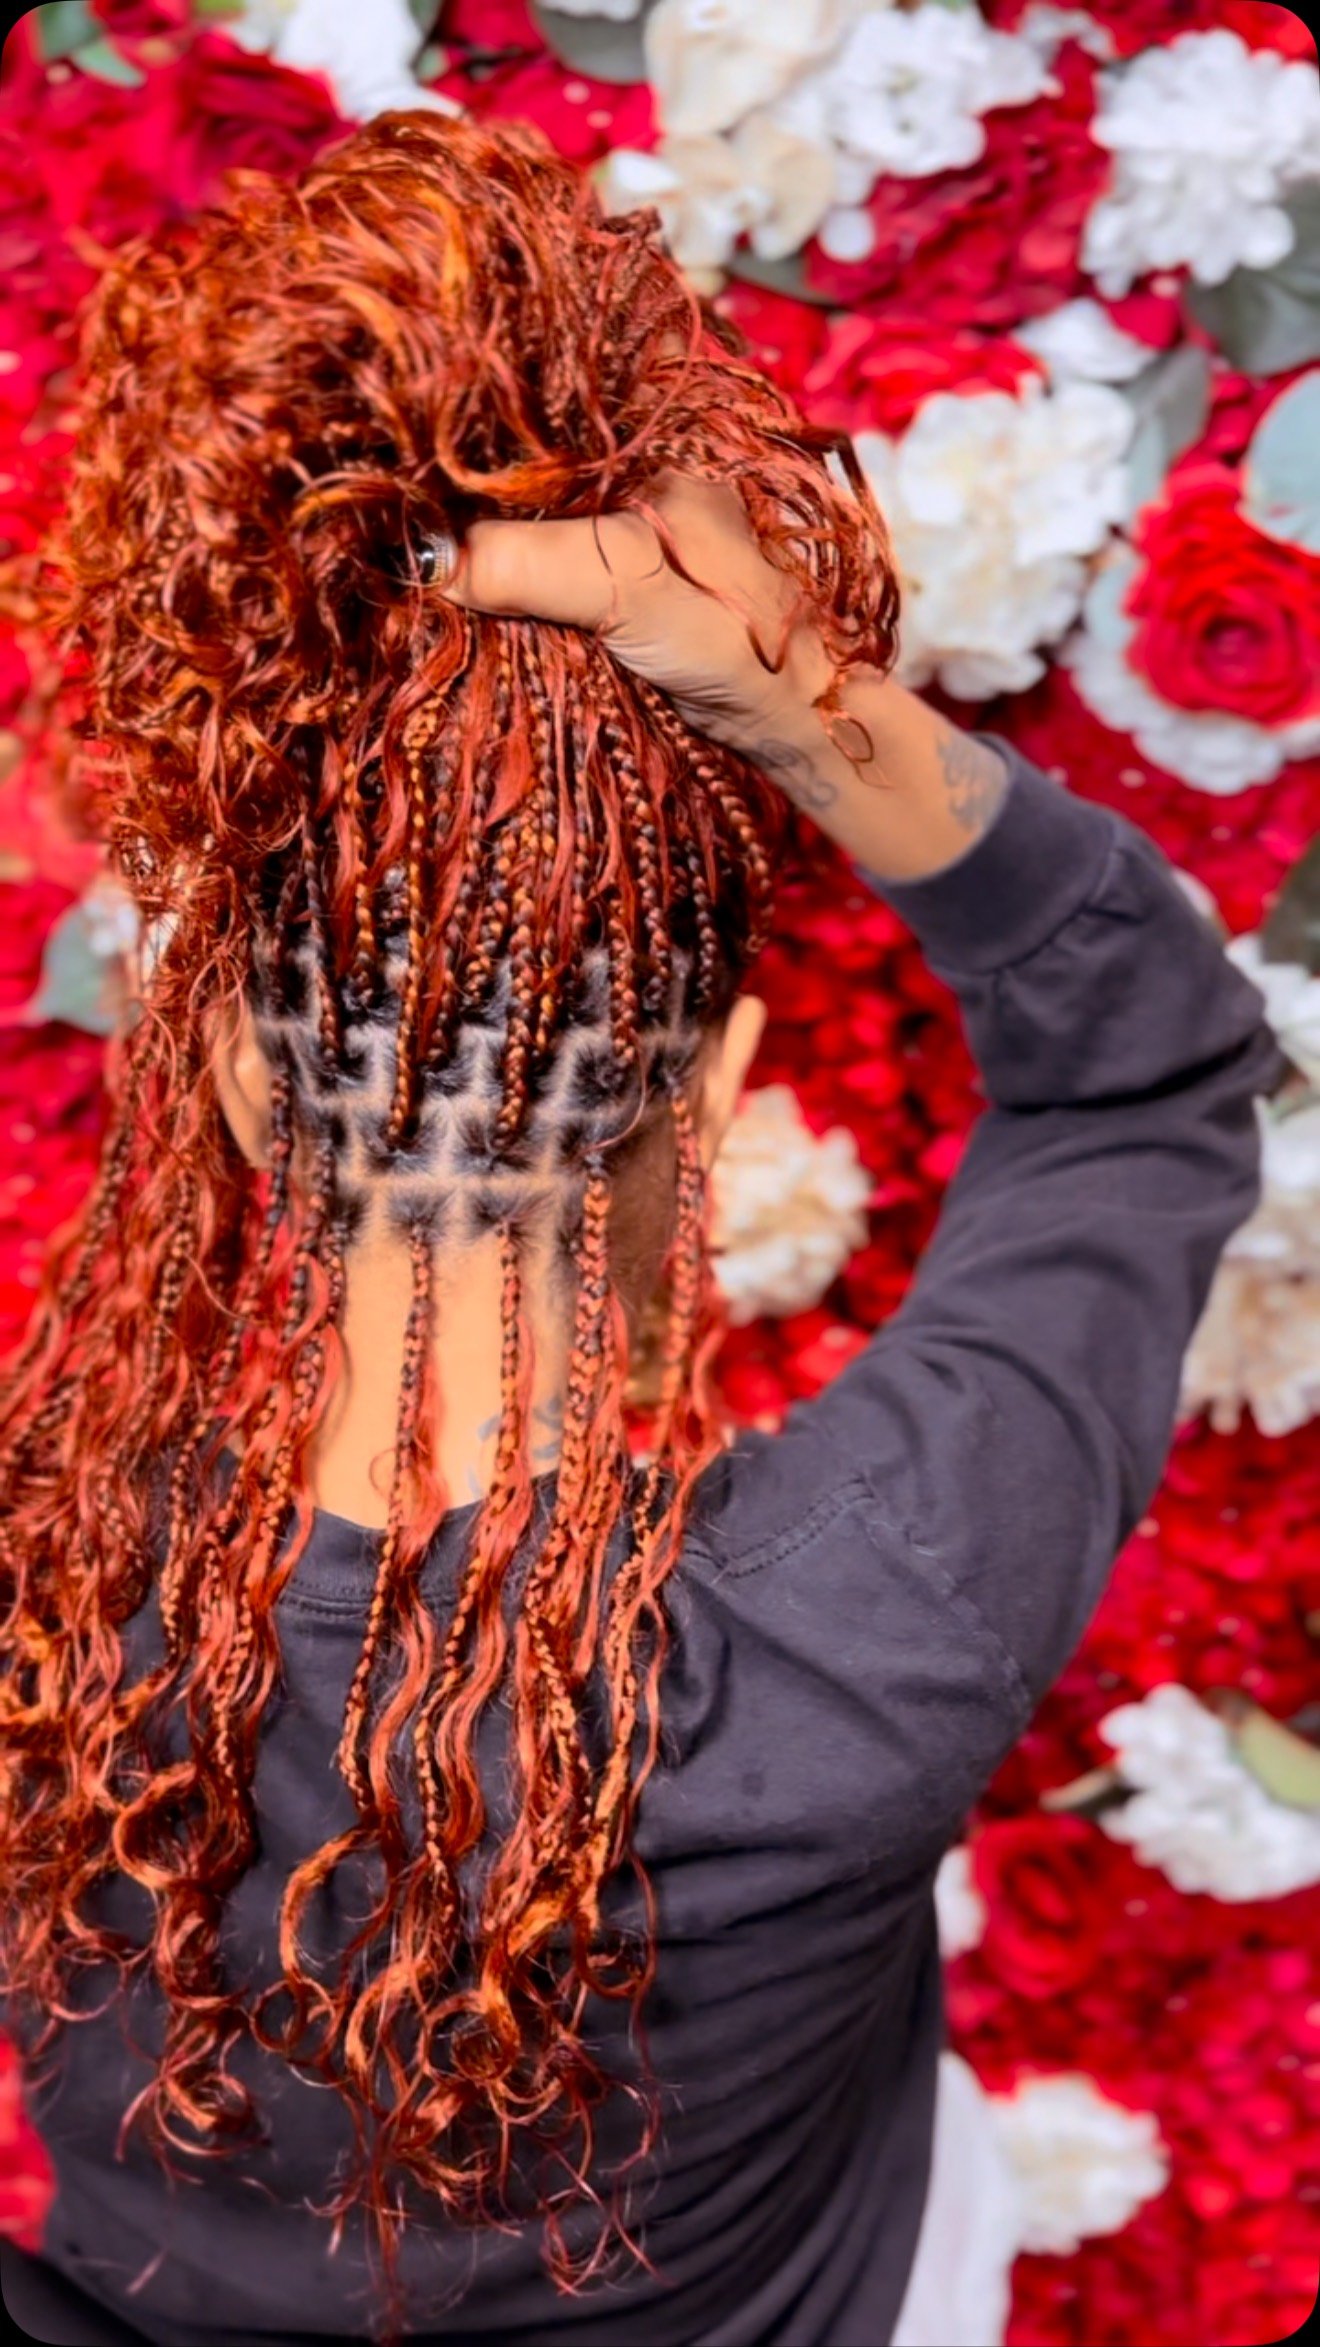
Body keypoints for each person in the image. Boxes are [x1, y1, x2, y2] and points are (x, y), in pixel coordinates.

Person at [0, 110, 1284, 2347]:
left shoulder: (41, 1603)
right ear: (713, 1080)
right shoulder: (872, 1619)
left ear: (228, 1069)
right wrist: (808, 700)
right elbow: (1143, 1076)